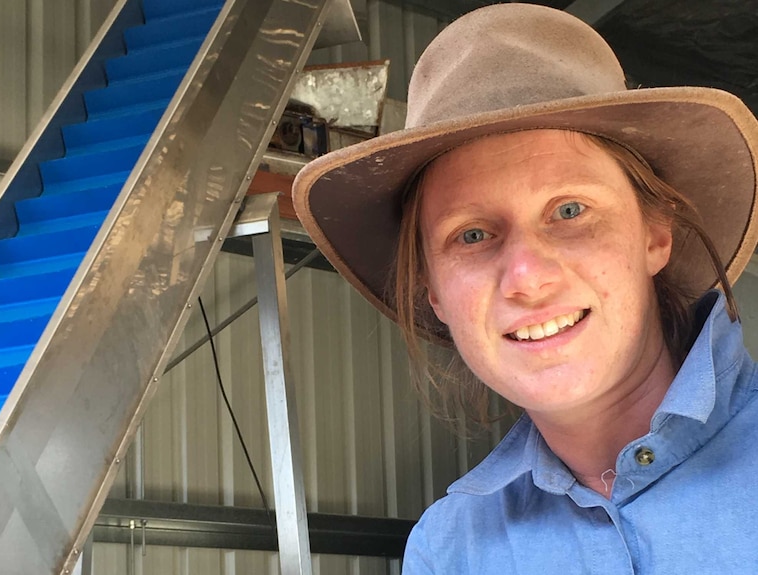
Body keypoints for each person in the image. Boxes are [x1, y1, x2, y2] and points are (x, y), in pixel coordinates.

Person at [292, 3, 758, 573]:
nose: (527, 277)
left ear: (654, 235)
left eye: (569, 209)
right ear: (433, 290)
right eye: (472, 234)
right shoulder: (452, 549)